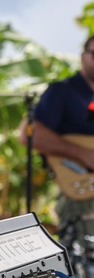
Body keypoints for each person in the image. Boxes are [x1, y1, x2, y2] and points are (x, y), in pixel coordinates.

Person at [27, 34, 94, 242]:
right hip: (80, 195)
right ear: (83, 56)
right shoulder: (62, 91)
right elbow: (31, 134)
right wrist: (82, 154)